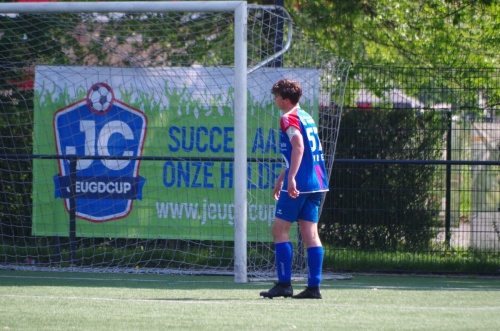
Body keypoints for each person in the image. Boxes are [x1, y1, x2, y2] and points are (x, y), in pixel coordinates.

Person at [260, 78, 329, 299]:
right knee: (310, 234)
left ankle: (284, 284)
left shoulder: (288, 118)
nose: (275, 99)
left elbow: (298, 146)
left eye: (277, 96)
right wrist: (283, 176)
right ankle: (313, 288)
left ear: (286, 99)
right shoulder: (306, 116)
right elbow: (305, 152)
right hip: (317, 182)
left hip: (300, 184)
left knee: (279, 231)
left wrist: (291, 178)